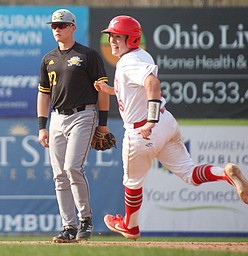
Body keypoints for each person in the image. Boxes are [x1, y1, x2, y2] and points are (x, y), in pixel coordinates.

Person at [94, 15, 248, 240]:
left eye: (118, 37)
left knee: (132, 183)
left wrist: (150, 120)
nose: (112, 42)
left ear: (133, 39)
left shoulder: (128, 62)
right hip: (167, 124)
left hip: (143, 130)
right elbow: (136, 88)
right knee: (190, 174)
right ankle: (225, 173)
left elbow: (152, 84)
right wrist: (111, 90)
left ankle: (130, 226)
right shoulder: (139, 56)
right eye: (111, 37)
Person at [37, 9, 110, 243]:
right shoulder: (48, 58)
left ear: (73, 27)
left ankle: (85, 220)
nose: (57, 29)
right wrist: (42, 126)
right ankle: (68, 227)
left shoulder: (88, 55)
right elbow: (43, 94)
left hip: (83, 115)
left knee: (72, 168)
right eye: (54, 26)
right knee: (59, 175)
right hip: (57, 117)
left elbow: (102, 91)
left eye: (62, 25)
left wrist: (104, 125)